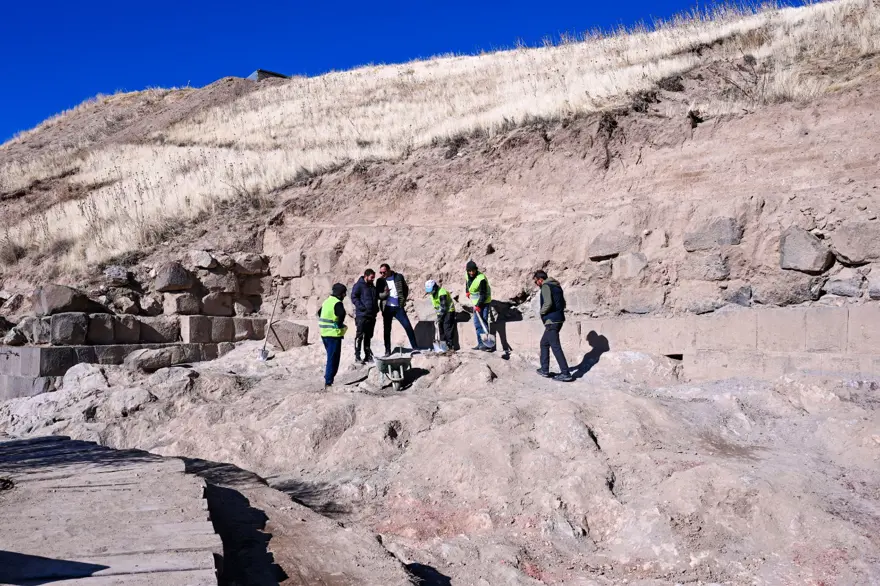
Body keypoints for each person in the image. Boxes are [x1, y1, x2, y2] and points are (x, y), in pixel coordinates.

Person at [533, 270, 573, 382]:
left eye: (536, 281)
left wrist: (542, 312)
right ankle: (544, 369)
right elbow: (563, 303)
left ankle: (565, 373)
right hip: (558, 319)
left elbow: (548, 303)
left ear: (540, 279)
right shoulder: (557, 286)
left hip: (551, 321)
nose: (536, 284)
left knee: (555, 347)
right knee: (544, 343)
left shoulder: (546, 286)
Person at [376, 263, 419, 355]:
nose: (382, 274)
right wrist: (385, 294)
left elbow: (405, 289)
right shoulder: (380, 281)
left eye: (384, 272)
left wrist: (403, 300)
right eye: (381, 272)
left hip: (398, 307)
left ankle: (415, 348)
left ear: (389, 270)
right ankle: (387, 351)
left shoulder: (398, 277)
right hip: (387, 308)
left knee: (407, 326)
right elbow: (378, 295)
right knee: (387, 330)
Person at [318, 283, 348, 388]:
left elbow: (319, 313)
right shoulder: (337, 303)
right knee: (333, 359)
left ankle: (329, 378)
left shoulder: (327, 301)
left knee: (331, 357)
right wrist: (338, 324)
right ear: (340, 294)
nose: (345, 296)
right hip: (333, 335)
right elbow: (342, 314)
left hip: (324, 334)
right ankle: (328, 382)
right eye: (344, 293)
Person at [350, 268, 379, 364]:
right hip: (362, 315)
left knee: (368, 336)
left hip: (371, 316)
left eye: (374, 278)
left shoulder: (372, 287)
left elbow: (375, 299)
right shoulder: (359, 285)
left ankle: (367, 356)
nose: (373, 279)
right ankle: (357, 356)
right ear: (366, 276)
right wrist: (361, 307)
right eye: (371, 277)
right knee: (359, 336)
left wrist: (376, 309)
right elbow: (354, 297)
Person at [465, 260, 493, 351]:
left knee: (483, 322)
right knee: (477, 323)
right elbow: (467, 283)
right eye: (469, 271)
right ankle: (480, 344)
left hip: (484, 302)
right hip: (475, 303)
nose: (471, 273)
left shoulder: (481, 279)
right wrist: (467, 291)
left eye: (473, 270)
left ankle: (487, 345)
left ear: (476, 269)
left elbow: (483, 294)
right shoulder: (467, 275)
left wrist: (478, 305)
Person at [426, 279, 456, 351]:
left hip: (448, 312)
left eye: (431, 291)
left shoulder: (442, 293)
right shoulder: (433, 294)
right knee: (440, 330)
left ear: (434, 287)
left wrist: (439, 318)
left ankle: (450, 346)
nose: (430, 293)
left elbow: (444, 307)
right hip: (441, 313)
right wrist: (439, 317)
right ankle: (443, 347)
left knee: (447, 329)